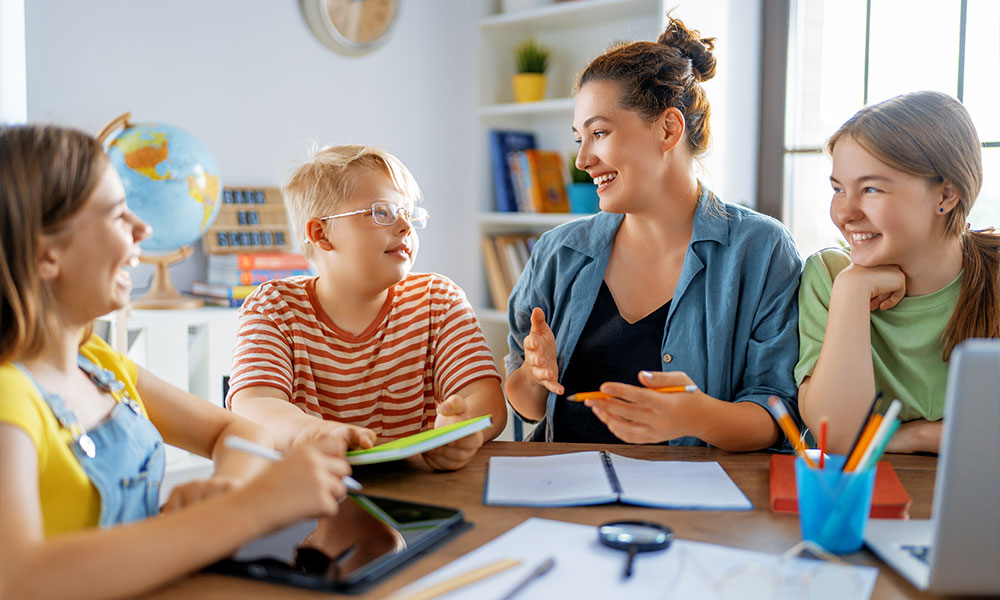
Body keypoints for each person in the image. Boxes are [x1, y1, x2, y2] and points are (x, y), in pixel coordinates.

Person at [0, 124, 357, 599]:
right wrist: (248, 509)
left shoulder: (98, 365)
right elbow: (20, 578)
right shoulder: (10, 396)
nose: (142, 228)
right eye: (115, 214)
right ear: (47, 254)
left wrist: (226, 487)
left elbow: (238, 431)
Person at [503, 15, 802, 449]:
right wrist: (534, 375)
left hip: (694, 503)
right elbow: (527, 406)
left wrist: (699, 416)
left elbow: (779, 416)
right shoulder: (557, 252)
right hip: (562, 493)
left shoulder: (761, 249)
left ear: (668, 129)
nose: (583, 159)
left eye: (599, 133)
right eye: (578, 139)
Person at [227, 144, 506, 471]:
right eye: (382, 212)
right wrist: (316, 432)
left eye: (408, 213)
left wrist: (460, 431)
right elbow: (255, 405)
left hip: (419, 489)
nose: (405, 227)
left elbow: (485, 398)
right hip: (312, 492)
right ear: (322, 234)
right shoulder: (273, 307)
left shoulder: (439, 299)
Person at [796, 91, 999, 455]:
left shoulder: (994, 275)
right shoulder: (830, 277)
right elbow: (835, 437)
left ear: (946, 195)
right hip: (858, 504)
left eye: (871, 189)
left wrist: (906, 438)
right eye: (839, 189)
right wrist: (852, 293)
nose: (845, 213)